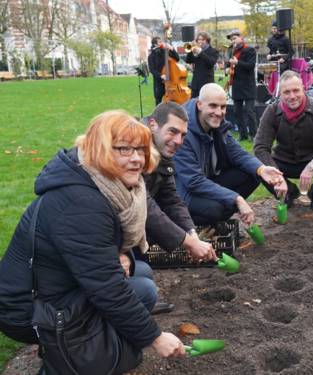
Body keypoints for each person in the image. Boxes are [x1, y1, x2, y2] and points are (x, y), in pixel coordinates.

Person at [0, 111, 185, 373]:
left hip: (54, 288)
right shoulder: (81, 202)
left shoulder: (101, 184)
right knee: (142, 290)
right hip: (27, 309)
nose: (136, 158)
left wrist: (120, 257)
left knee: (140, 272)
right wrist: (154, 337)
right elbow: (106, 287)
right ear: (100, 150)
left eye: (141, 150)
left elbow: (101, 252)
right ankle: (68, 359)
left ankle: (84, 343)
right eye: (124, 149)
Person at [174, 83, 284, 226]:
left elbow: (237, 153)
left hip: (207, 179)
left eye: (223, 107)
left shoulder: (217, 122)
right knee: (216, 210)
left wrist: (261, 169)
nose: (219, 112)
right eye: (213, 106)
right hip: (185, 192)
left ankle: (218, 216)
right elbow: (194, 181)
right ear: (200, 105)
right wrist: (236, 198)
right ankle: (187, 221)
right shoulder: (183, 133)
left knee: (253, 174)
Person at [254, 70, 313, 211]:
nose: (292, 96)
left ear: (303, 89)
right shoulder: (272, 111)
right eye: (286, 92)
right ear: (280, 94)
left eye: (296, 90)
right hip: (284, 162)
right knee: (258, 167)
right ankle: (288, 194)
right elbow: (260, 147)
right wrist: (275, 176)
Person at [144, 101, 217, 262]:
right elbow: (145, 206)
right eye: (172, 131)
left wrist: (191, 232)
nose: (178, 141)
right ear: (153, 124)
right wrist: (187, 242)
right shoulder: (135, 150)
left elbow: (171, 199)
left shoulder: (162, 152)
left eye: (183, 135)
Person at [226, 29, 257, 141]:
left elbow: (250, 66)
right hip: (237, 85)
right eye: (231, 39)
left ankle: (254, 135)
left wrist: (237, 63)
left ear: (241, 38)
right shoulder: (232, 51)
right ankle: (243, 134)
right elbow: (230, 65)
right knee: (237, 111)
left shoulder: (249, 50)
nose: (233, 41)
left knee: (249, 111)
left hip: (248, 85)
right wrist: (227, 68)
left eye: (234, 38)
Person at [185, 31, 219, 99]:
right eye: (199, 39)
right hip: (195, 84)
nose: (200, 41)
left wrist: (200, 52)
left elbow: (211, 62)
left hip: (207, 84)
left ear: (207, 40)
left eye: (202, 39)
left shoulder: (213, 51)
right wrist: (190, 50)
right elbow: (188, 60)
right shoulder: (195, 49)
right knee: (194, 105)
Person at [148, 36, 180, 105]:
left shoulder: (165, 52)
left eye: (161, 41)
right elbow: (152, 70)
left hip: (170, 82)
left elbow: (177, 58)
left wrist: (171, 48)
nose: (161, 43)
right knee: (159, 101)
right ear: (155, 44)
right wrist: (161, 76)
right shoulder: (151, 56)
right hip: (159, 82)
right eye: (159, 42)